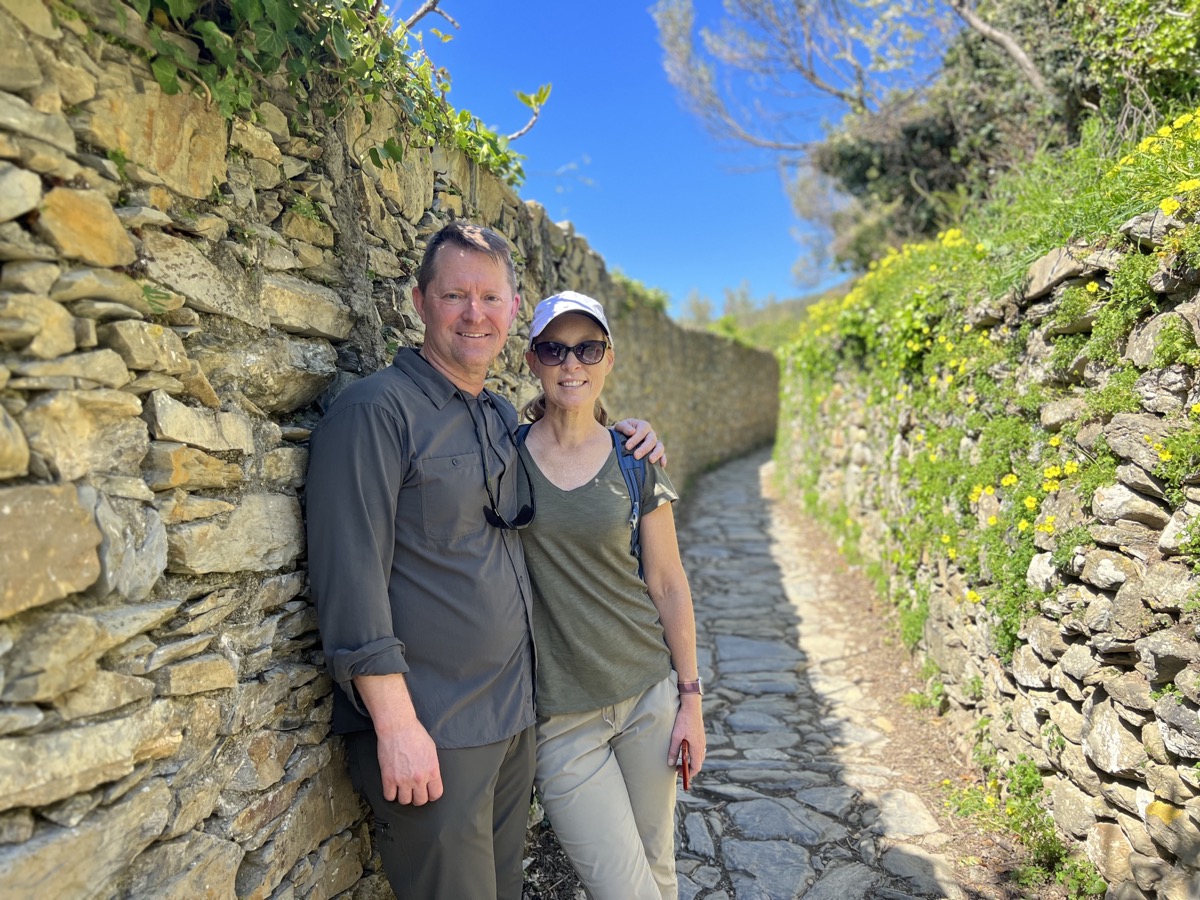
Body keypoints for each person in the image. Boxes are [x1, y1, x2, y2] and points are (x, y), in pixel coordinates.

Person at [305, 223, 663, 900]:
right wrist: (396, 725)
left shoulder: (500, 416)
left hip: (512, 723)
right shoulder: (375, 414)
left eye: (491, 297)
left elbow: (572, 441)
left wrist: (631, 436)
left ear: (513, 308)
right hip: (434, 731)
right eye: (455, 295)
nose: (475, 313)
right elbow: (348, 581)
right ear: (419, 301)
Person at [516, 291, 706, 900]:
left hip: (648, 698)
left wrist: (690, 700)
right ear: (532, 361)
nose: (571, 364)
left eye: (587, 349)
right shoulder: (502, 455)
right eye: (554, 349)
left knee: (659, 873)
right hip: (562, 723)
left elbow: (669, 584)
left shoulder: (635, 458)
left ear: (608, 359)